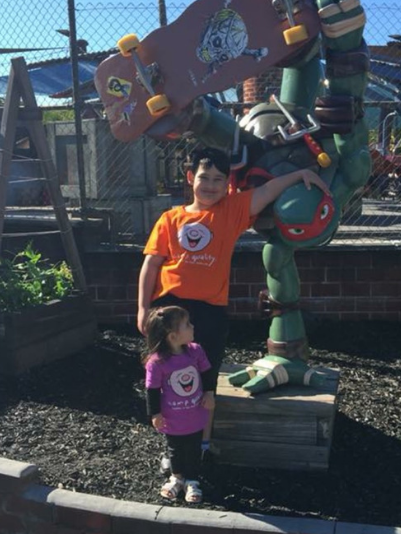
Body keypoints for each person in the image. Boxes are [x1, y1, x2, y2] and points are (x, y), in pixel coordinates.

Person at [137, 146, 330, 451]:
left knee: (206, 379)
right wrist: (143, 308)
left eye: (218, 179)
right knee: (168, 379)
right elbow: (151, 264)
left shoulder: (231, 210)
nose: (210, 185)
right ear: (190, 177)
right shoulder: (170, 218)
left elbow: (267, 190)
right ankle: (174, 446)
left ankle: (202, 444)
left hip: (210, 312)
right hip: (170, 308)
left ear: (227, 183)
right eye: (204, 177)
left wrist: (301, 173)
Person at [143, 305, 212, 503]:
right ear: (173, 336)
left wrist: (209, 393)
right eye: (187, 325)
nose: (192, 327)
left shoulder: (195, 351)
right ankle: (177, 477)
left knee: (193, 448)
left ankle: (192, 481)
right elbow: (152, 390)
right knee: (175, 448)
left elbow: (207, 373)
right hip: (172, 417)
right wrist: (155, 414)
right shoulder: (157, 362)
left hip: (195, 413)